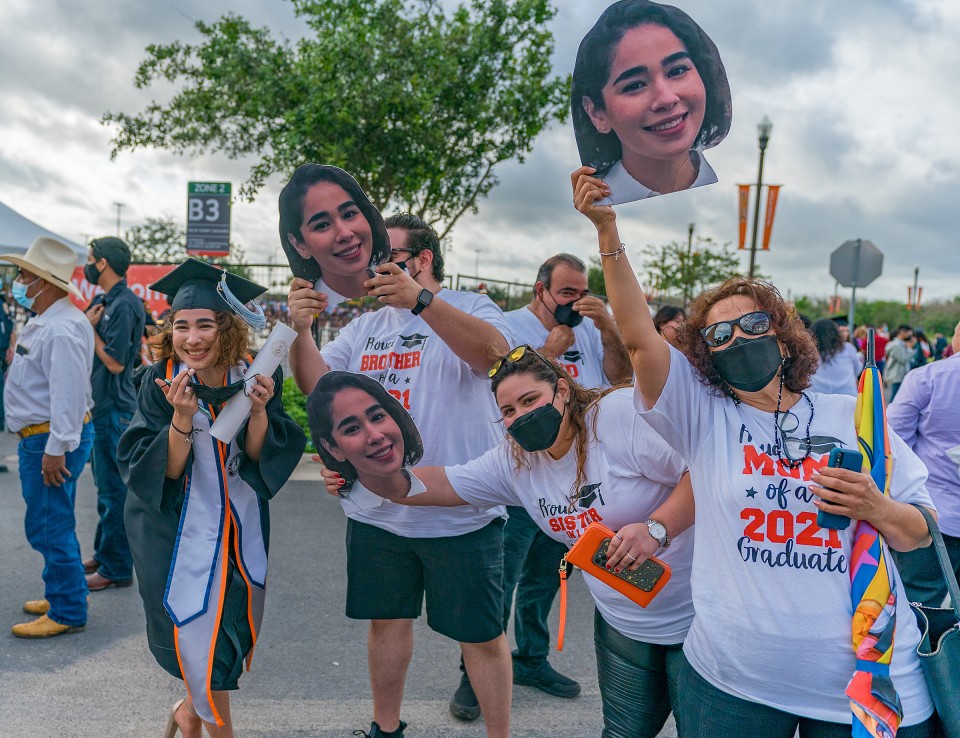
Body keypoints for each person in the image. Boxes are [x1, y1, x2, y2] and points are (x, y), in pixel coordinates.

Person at [572, 165, 938, 737]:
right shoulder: (704, 418)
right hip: (731, 685)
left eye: (753, 323)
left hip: (861, 687)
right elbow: (640, 338)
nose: (738, 337)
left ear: (783, 331)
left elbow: (920, 535)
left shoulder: (854, 415)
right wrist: (606, 233)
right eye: (719, 335)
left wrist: (875, 506)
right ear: (706, 356)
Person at [317, 347, 696, 737]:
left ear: (562, 390)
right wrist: (359, 476)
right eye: (509, 410)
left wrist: (656, 528)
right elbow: (444, 483)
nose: (521, 416)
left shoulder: (615, 417)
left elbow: (705, 470)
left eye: (530, 400)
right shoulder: (516, 460)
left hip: (695, 620)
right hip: (623, 622)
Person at [288, 212, 511, 733]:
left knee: (481, 637)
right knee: (386, 623)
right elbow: (315, 385)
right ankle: (385, 728)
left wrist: (421, 302)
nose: (373, 272)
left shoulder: (474, 307)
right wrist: (301, 328)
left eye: (387, 259)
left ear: (424, 260)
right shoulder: (366, 327)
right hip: (380, 511)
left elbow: (495, 358)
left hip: (461, 510)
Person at [118, 259, 305, 738]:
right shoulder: (159, 384)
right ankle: (213, 724)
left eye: (205, 324)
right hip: (173, 531)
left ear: (228, 328)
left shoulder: (257, 376)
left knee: (225, 631)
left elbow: (263, 459)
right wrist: (181, 419)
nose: (192, 338)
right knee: (201, 629)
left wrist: (259, 412)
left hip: (238, 528)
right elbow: (159, 473)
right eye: (181, 326)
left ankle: (189, 709)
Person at [495, 253, 630, 701]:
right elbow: (496, 388)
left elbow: (621, 376)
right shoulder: (510, 324)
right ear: (542, 291)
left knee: (545, 579)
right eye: (567, 293)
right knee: (502, 579)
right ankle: (475, 672)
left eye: (582, 291)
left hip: (573, 477)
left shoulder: (590, 329)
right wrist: (548, 353)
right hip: (524, 477)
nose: (576, 301)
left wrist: (607, 326)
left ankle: (531, 659)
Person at [1, 237, 95, 638]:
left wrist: (55, 449)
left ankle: (67, 608)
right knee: (55, 519)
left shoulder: (60, 328)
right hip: (46, 436)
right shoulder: (54, 322)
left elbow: (68, 395)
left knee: (48, 524)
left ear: (45, 282)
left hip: (47, 439)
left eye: (25, 275)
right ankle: (64, 591)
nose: (19, 281)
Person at [572, 0, 731, 205]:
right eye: (634, 85)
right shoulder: (595, 211)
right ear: (596, 113)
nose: (666, 99)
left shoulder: (741, 188)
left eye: (677, 71)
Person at [81, 236, 146, 591]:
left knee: (114, 493)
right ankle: (104, 554)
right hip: (101, 407)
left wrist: (90, 330)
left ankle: (116, 568)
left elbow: (117, 363)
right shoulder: (103, 300)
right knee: (104, 489)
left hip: (115, 411)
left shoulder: (124, 304)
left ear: (102, 263)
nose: (89, 265)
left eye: (91, 259)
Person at [888, 318, 960, 607]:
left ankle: (927, 653)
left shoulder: (928, 378)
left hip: (931, 517)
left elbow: (892, 444)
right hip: (933, 516)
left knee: (918, 603)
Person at [279, 163, 390, 304]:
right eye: (322, 225)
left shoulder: (409, 296)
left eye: (349, 214)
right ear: (299, 244)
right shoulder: (303, 318)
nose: (345, 234)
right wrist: (299, 326)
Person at [808, 318, 861, 397]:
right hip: (847, 396)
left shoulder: (809, 351)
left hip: (817, 396)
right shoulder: (848, 348)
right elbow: (857, 370)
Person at [884, 325, 914, 402]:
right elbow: (903, 359)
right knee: (894, 398)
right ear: (902, 333)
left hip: (900, 375)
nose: (909, 336)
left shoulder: (901, 344)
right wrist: (910, 349)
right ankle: (889, 413)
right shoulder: (896, 346)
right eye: (908, 334)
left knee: (898, 398)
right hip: (897, 376)